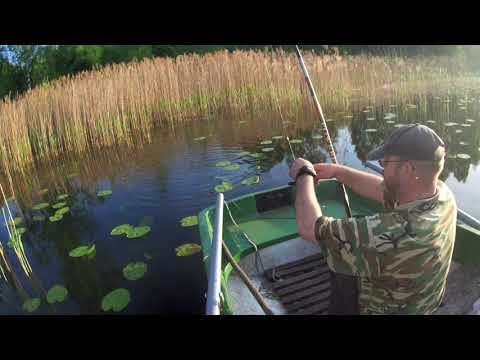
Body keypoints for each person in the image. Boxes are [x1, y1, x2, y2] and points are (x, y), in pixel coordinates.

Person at [289, 124, 456, 315]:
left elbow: (309, 227)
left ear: (409, 169)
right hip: (423, 305)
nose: (382, 166)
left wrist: (304, 175)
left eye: (386, 162)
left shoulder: (386, 233)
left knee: (338, 257)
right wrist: (339, 171)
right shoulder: (443, 196)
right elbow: (381, 189)